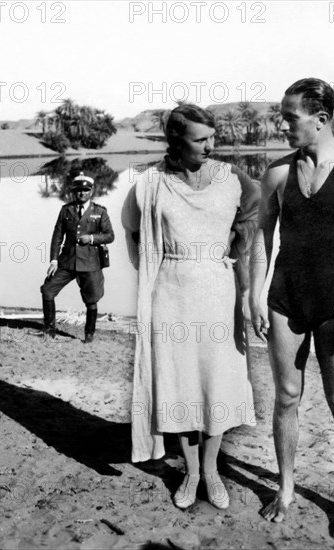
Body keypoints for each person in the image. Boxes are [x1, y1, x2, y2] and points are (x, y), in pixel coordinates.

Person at [249, 78, 334, 539]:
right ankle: (286, 489)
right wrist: (254, 295)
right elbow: (260, 240)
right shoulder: (278, 173)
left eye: (290, 118)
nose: (283, 125)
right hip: (285, 301)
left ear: (320, 119)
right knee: (286, 397)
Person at [122, 104, 260, 510]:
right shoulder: (150, 184)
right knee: (180, 383)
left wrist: (238, 252)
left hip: (219, 293)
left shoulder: (231, 177)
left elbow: (254, 214)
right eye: (201, 139)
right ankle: (192, 472)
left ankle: (213, 470)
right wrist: (152, 266)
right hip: (172, 294)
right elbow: (133, 228)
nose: (210, 146)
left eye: (212, 137)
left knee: (215, 382)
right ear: (176, 141)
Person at [40, 171, 115, 343]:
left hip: (90, 263)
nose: (82, 193)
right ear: (74, 191)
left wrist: (92, 238)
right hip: (67, 261)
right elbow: (57, 236)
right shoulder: (66, 210)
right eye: (78, 190)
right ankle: (49, 329)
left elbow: (110, 236)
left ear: (92, 191)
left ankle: (89, 335)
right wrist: (53, 260)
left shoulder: (99, 212)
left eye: (86, 190)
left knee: (92, 299)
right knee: (47, 290)